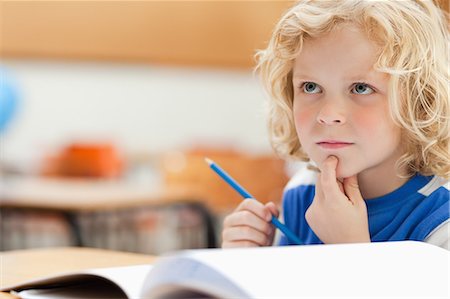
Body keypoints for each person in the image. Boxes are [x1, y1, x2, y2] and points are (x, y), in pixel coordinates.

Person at [221, 0, 449, 250]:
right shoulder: (303, 191)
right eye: (310, 87)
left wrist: (350, 249)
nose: (328, 115)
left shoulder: (440, 223)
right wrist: (251, 263)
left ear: (421, 101)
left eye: (361, 88)